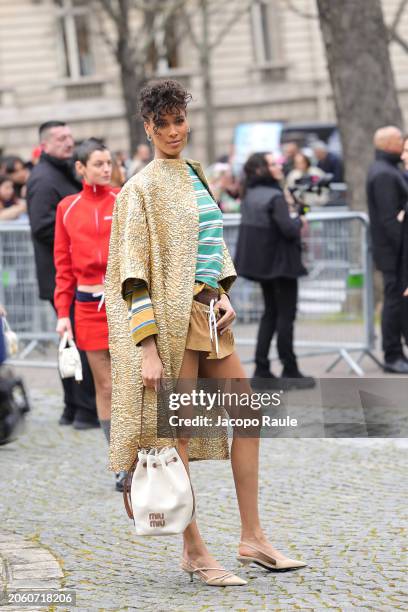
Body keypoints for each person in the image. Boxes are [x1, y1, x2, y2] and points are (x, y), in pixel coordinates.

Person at [105, 80, 306, 586]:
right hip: (168, 330)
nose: (175, 131)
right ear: (148, 127)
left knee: (249, 416)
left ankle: (252, 537)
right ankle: (193, 551)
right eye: (163, 123)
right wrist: (147, 349)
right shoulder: (139, 189)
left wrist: (221, 293)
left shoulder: (196, 174)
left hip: (205, 318)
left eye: (179, 121)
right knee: (179, 438)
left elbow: (210, 248)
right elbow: (132, 276)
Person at [53, 138, 125, 491]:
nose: (106, 169)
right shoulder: (67, 207)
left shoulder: (123, 200)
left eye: (108, 162)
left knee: (134, 382)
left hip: (125, 303)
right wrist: (61, 312)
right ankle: (120, 463)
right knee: (107, 385)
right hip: (86, 307)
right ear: (80, 167)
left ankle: (144, 452)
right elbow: (63, 266)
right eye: (98, 163)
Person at [26, 121, 98, 427]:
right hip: (62, 277)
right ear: (46, 144)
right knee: (76, 346)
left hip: (66, 275)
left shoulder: (61, 171)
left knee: (71, 345)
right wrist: (82, 236)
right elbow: (42, 226)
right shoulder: (43, 179)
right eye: (61, 138)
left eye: (70, 135)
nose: (69, 141)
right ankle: (82, 409)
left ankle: (72, 408)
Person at [234, 152, 315, 389]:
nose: (278, 166)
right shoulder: (274, 196)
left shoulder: (250, 195)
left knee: (270, 313)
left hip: (263, 265)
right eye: (272, 164)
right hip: (281, 264)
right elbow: (289, 229)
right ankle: (289, 368)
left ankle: (261, 368)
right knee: (285, 316)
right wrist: (300, 220)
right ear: (261, 169)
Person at [367, 126, 408, 373]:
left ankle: (397, 352)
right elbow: (389, 218)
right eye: (400, 141)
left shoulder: (390, 170)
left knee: (397, 301)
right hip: (393, 251)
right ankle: (392, 354)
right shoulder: (384, 173)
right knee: (393, 301)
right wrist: (402, 247)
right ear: (390, 143)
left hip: (396, 249)